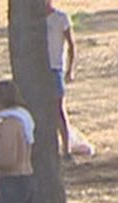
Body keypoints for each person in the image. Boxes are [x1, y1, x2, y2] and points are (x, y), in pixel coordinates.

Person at [43, 0, 76, 159]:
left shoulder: (61, 18)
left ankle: (66, 149)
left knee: (58, 109)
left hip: (55, 68)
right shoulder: (34, 21)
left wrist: (70, 69)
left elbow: (71, 45)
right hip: (39, 70)